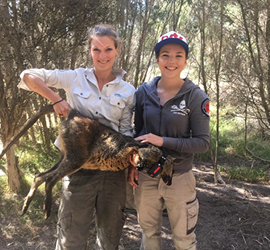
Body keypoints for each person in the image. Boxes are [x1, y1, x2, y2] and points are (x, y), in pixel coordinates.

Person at [18, 24, 136, 250]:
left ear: (117, 50)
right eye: (96, 50)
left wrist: (131, 164)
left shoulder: (128, 90)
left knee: (110, 238)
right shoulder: (75, 78)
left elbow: (126, 131)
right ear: (90, 51)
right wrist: (55, 99)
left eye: (108, 50)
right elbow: (28, 76)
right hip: (79, 168)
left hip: (113, 172)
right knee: (71, 237)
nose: (102, 56)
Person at [128, 31, 210, 250]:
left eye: (178, 55)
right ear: (157, 60)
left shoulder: (195, 96)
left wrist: (162, 141)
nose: (171, 60)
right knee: (149, 235)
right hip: (146, 176)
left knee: (184, 240)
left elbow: (202, 142)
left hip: (180, 178)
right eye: (165, 55)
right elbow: (137, 134)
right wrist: (133, 165)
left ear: (185, 60)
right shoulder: (143, 92)